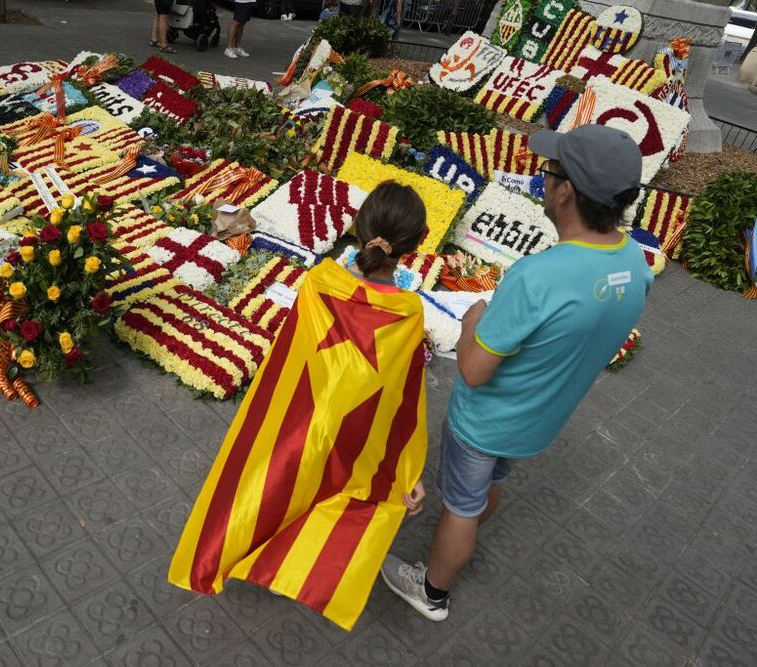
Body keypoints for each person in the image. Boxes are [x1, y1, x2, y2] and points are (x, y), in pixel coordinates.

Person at [380, 124, 653, 622]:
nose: (544, 180)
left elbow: (474, 369)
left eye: (550, 172)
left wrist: (471, 321)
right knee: (491, 482)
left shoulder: (539, 276)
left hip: (485, 421)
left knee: (461, 505)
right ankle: (464, 531)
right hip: (539, 421)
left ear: (566, 190)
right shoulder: (634, 263)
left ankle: (432, 592)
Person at [168, 181, 433, 630]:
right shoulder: (407, 312)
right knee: (338, 497)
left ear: (355, 225)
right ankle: (304, 566)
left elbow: (289, 356)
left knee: (273, 487)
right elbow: (403, 396)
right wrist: (407, 470)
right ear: (419, 242)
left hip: (302, 415)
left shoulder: (319, 282)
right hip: (354, 430)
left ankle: (230, 553)